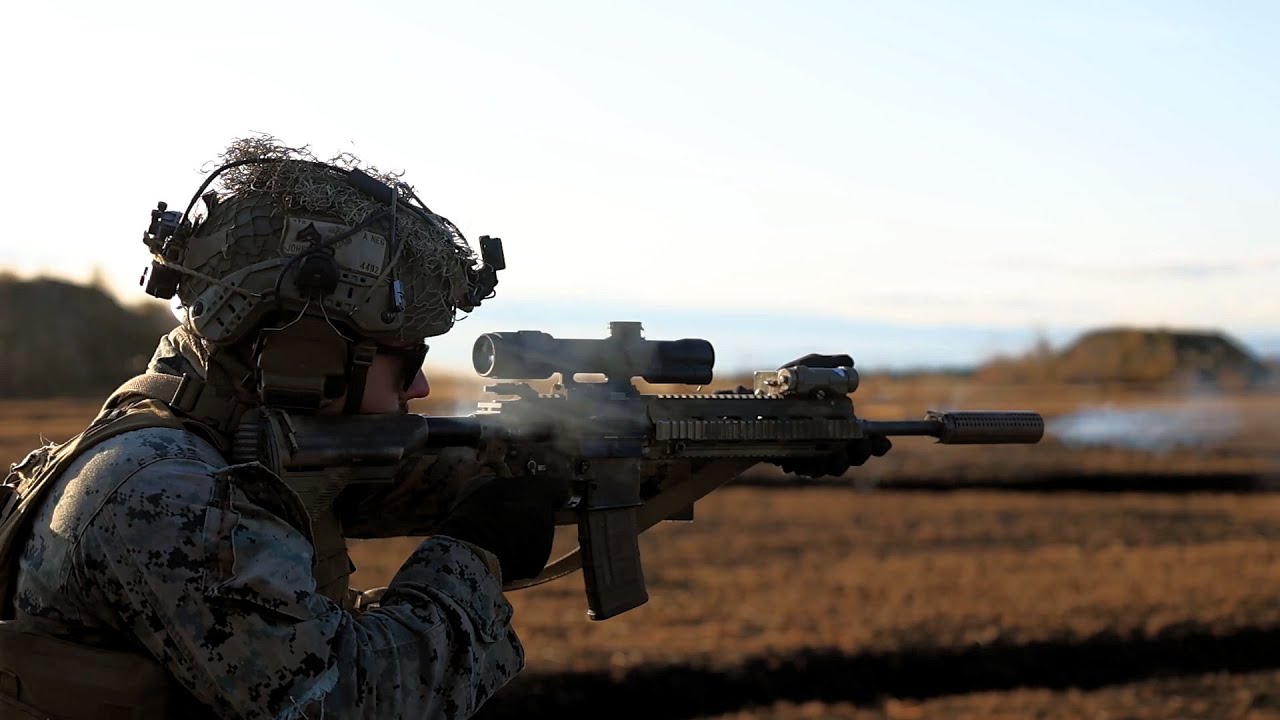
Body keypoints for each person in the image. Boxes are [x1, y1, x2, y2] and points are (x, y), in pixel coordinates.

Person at [0, 137, 566, 719]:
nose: (419, 390)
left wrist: (550, 463)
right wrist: (473, 556)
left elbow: (400, 478)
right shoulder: (168, 492)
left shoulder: (210, 429)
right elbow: (347, 704)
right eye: (408, 361)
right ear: (311, 350)